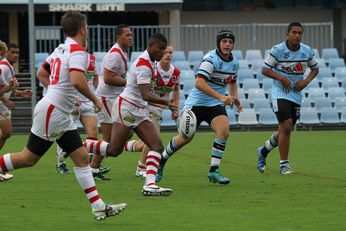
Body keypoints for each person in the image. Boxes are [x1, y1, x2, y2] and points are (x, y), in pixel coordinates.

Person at [0, 11, 126, 220]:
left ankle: (99, 207)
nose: (87, 30)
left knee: (82, 158)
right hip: (54, 111)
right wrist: (95, 100)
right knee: (28, 158)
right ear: (82, 29)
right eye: (86, 26)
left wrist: (55, 90)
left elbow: (42, 73)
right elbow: (77, 80)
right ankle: (99, 206)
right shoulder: (77, 51)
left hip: (57, 110)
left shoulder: (60, 48)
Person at [84, 33, 178, 196]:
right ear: (151, 46)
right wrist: (166, 103)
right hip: (126, 108)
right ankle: (77, 146)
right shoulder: (144, 64)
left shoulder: (150, 62)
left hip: (138, 110)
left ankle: (149, 185)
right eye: (161, 49)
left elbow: (145, 95)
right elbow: (145, 94)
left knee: (156, 146)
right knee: (113, 150)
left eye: (165, 49)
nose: (163, 53)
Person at [155, 30, 243, 185]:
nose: (227, 44)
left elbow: (233, 81)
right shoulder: (210, 59)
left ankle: (214, 171)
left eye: (230, 42)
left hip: (215, 105)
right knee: (185, 138)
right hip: (196, 104)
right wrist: (221, 97)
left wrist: (235, 97)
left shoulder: (235, 62)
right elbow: (199, 83)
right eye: (224, 41)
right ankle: (161, 160)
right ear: (218, 43)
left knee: (224, 132)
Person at [256, 22, 319, 175]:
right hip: (280, 93)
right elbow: (265, 69)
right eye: (294, 33)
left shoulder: (306, 51)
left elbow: (315, 68)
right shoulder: (278, 50)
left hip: (296, 95)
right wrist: (280, 77)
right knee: (287, 125)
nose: (297, 36)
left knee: (286, 129)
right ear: (288, 34)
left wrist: (305, 81)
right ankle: (284, 165)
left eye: (299, 33)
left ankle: (263, 151)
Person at [123, 45, 180, 178]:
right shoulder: (152, 69)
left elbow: (176, 90)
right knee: (155, 139)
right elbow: (144, 90)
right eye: (165, 52)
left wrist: (175, 108)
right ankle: (141, 167)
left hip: (159, 110)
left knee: (144, 143)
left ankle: (122, 146)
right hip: (147, 107)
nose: (168, 55)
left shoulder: (176, 72)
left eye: (170, 52)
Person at [91, 24, 133, 180]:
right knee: (110, 139)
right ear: (118, 37)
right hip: (106, 99)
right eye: (127, 35)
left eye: (131, 35)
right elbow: (108, 78)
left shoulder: (121, 53)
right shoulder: (115, 54)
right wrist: (128, 82)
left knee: (126, 133)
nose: (130, 38)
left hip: (113, 98)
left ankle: (93, 165)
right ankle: (91, 162)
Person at [52, 52, 100, 175]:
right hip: (73, 101)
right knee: (65, 132)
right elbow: (68, 79)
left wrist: (97, 93)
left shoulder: (92, 59)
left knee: (93, 131)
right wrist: (72, 96)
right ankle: (60, 163)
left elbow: (95, 77)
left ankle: (88, 165)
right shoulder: (72, 59)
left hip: (88, 102)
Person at [0, 40, 19, 181]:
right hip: (1, 104)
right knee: (5, 133)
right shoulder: (4, 67)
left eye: (17, 53)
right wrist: (6, 100)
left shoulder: (6, 68)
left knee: (6, 133)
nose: (15, 55)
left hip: (3, 103)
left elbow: (4, 88)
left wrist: (19, 92)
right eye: (13, 52)